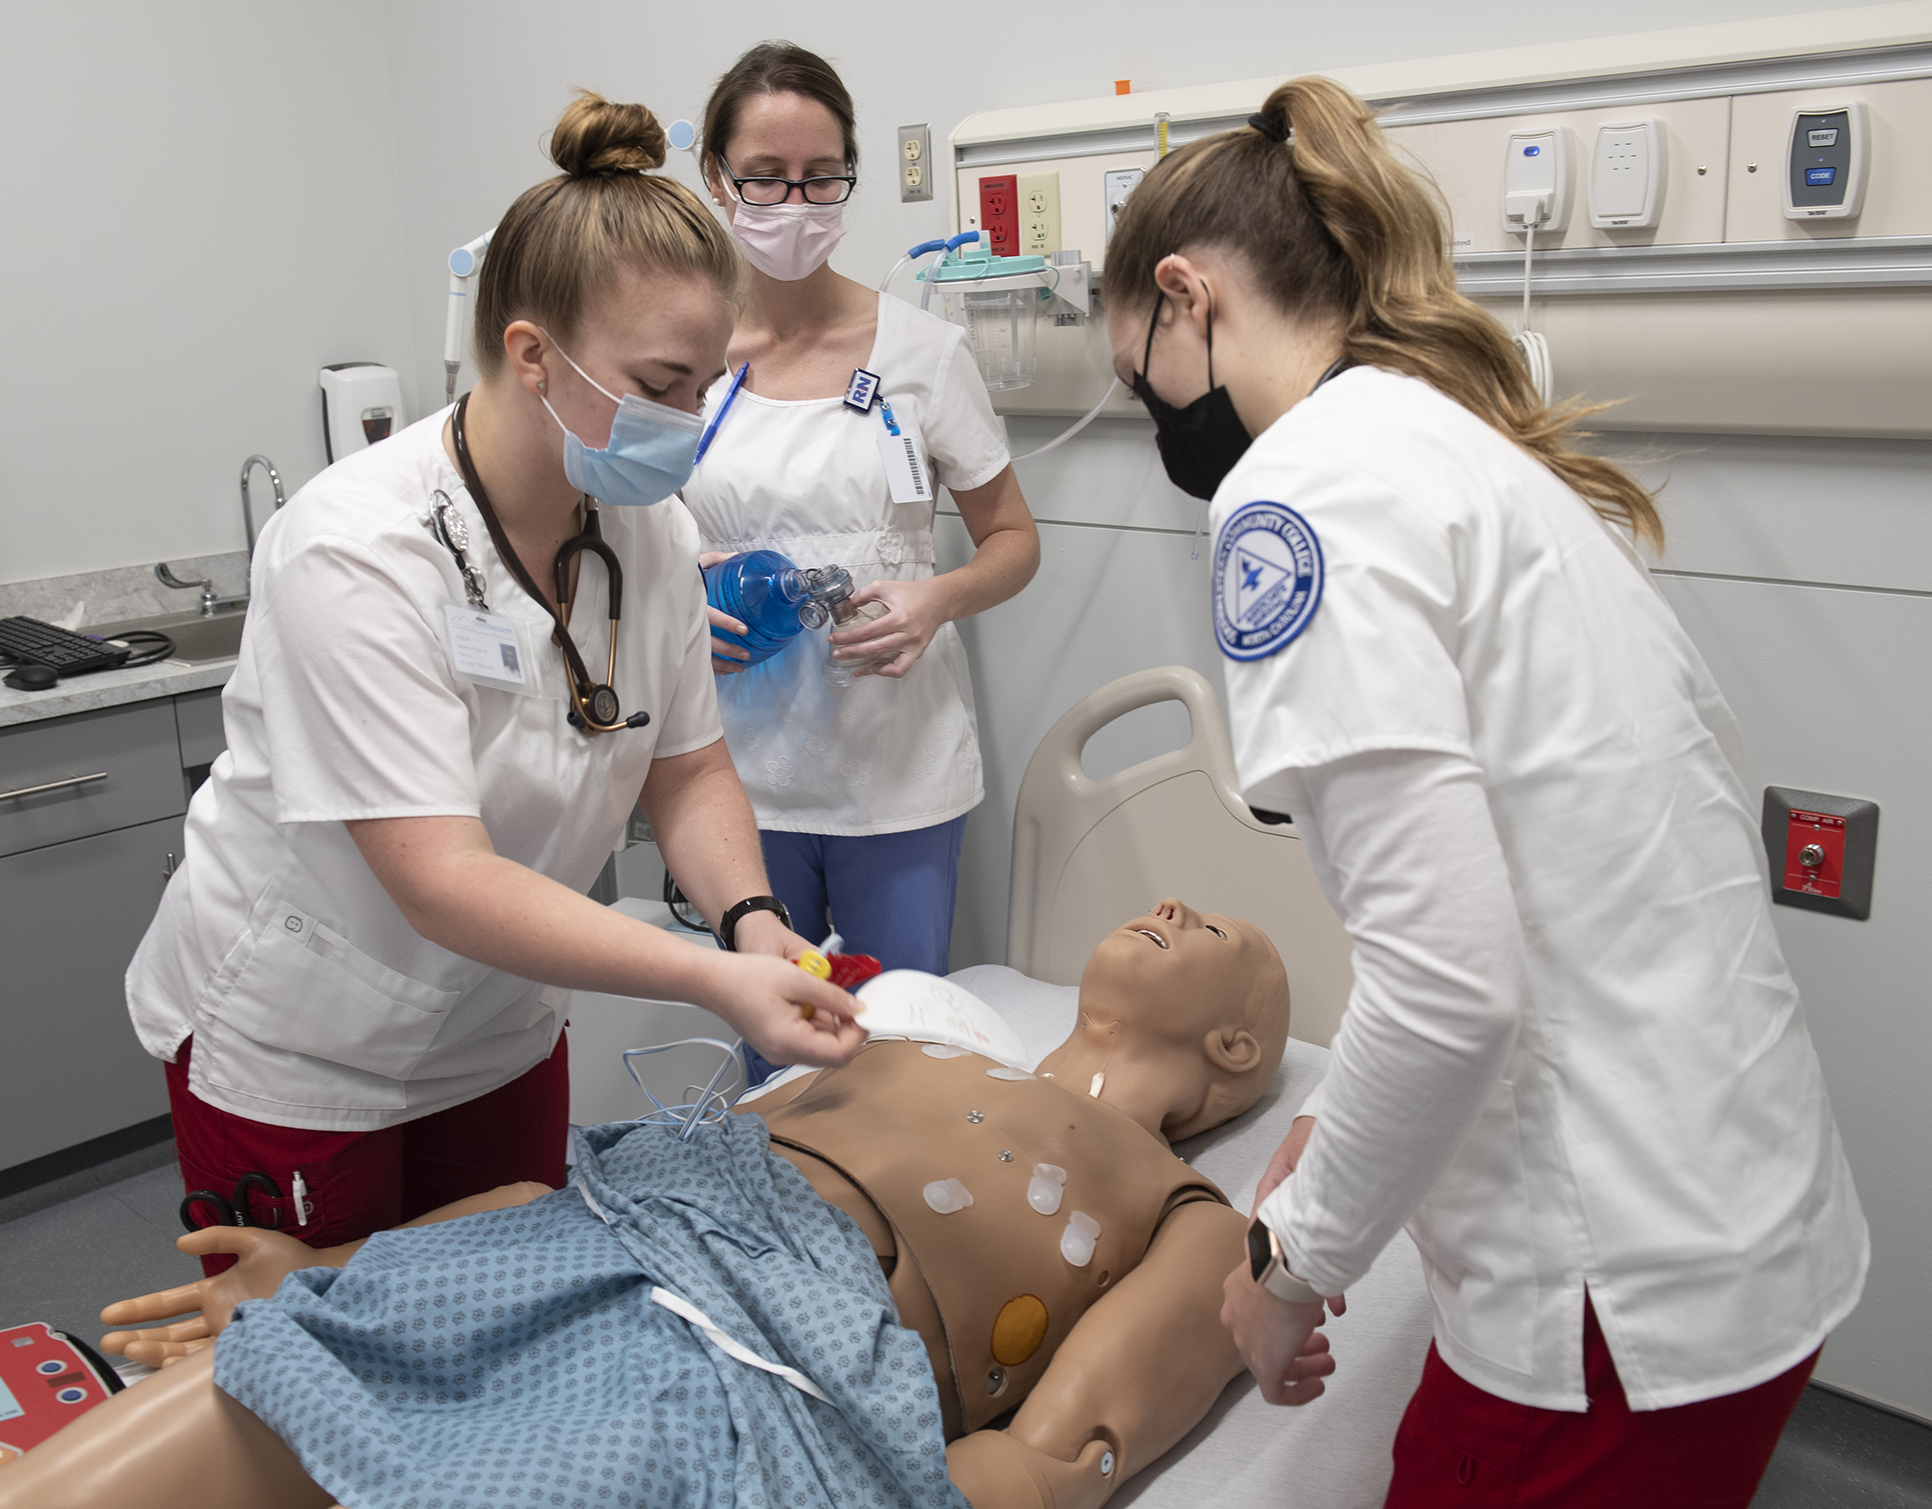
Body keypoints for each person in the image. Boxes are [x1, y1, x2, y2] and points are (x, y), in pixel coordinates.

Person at [1104, 76, 1869, 1507]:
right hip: (1736, 1209)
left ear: (1183, 296)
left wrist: (1291, 1263)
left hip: (1607, 1297)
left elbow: (1451, 983)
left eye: (1133, 367)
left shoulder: (1302, 494)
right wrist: (1341, 1136)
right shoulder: (1470, 455)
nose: (1149, 410)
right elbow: (1544, 869)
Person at [123, 90, 863, 1275]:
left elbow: (688, 767)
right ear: (531, 355)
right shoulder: (355, 548)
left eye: (704, 388)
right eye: (662, 384)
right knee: (317, 1379)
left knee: (505, 1327)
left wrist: (753, 922)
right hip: (310, 1043)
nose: (689, 424)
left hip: (501, 1028)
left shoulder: (647, 531)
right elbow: (440, 879)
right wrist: (712, 980)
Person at [0, 901, 1287, 1509]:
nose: (1170, 905)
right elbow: (580, 1197)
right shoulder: (917, 1036)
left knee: (545, 1464)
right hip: (638, 1208)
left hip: (787, 1343)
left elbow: (1071, 1450)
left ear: (1238, 1049)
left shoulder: (1197, 1217)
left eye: (1214, 930)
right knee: (294, 1356)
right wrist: (339, 1262)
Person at [682, 43, 1041, 1076]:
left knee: (901, 1059)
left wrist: (938, 598)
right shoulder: (684, 353)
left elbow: (1013, 540)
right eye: (763, 177)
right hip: (735, 779)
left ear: (848, 174)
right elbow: (612, 541)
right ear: (715, 176)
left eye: (821, 177)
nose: (793, 203)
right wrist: (671, 609)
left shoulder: (922, 354)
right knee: (774, 1067)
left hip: (897, 771)